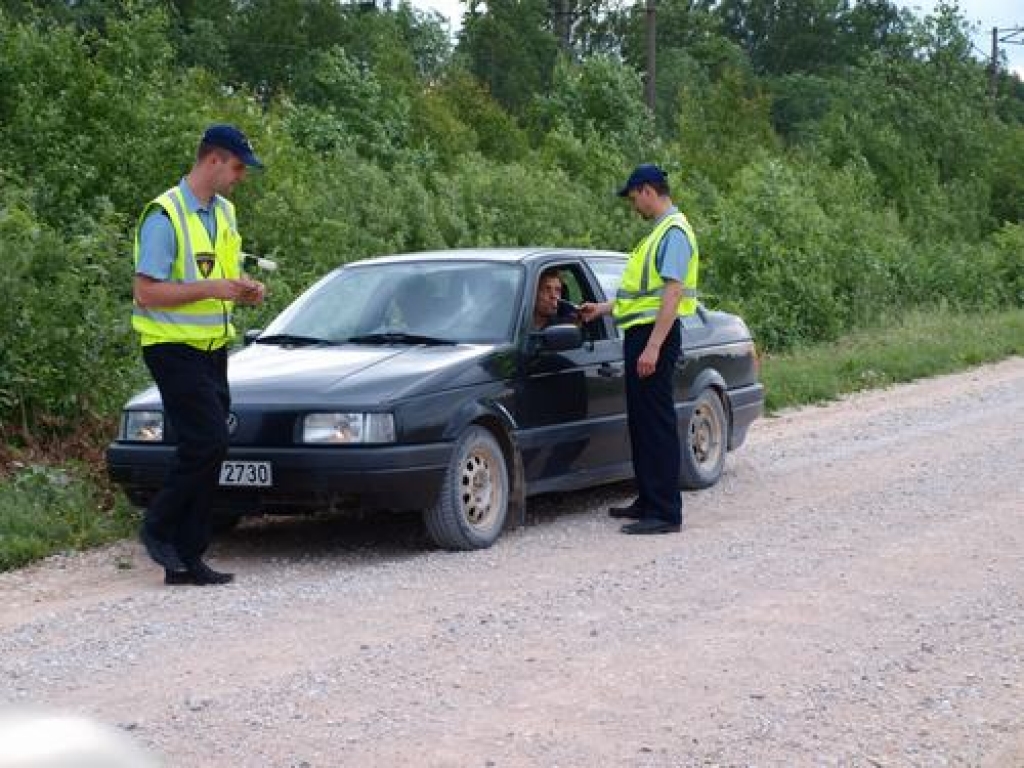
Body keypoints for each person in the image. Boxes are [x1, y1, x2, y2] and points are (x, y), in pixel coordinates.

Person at [132, 124, 266, 585]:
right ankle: (158, 528)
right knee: (208, 441)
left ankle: (186, 559)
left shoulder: (224, 213)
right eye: (237, 167)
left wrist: (243, 290)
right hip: (171, 347)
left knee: (207, 446)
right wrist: (214, 288)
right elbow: (146, 293)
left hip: (212, 347)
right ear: (214, 160)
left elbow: (222, 276)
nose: (240, 177)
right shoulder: (164, 215)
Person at [580, 163, 699, 535]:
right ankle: (648, 499)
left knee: (657, 424)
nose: (634, 206)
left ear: (648, 190)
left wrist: (652, 346)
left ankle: (665, 512)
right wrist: (604, 308)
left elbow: (672, 293)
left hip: (654, 337)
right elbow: (641, 295)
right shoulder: (658, 234)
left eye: (634, 198)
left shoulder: (674, 232)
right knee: (642, 422)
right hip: (641, 333)